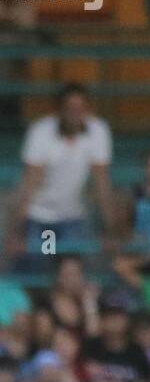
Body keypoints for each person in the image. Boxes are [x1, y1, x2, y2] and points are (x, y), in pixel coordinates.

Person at [5, 83, 115, 263]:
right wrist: (17, 228)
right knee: (41, 263)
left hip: (73, 215)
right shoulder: (40, 131)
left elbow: (101, 182)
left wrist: (111, 228)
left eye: (80, 108)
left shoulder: (98, 130)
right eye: (69, 108)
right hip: (41, 215)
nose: (74, 113)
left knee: (74, 265)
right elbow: (30, 182)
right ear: (59, 110)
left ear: (88, 109)